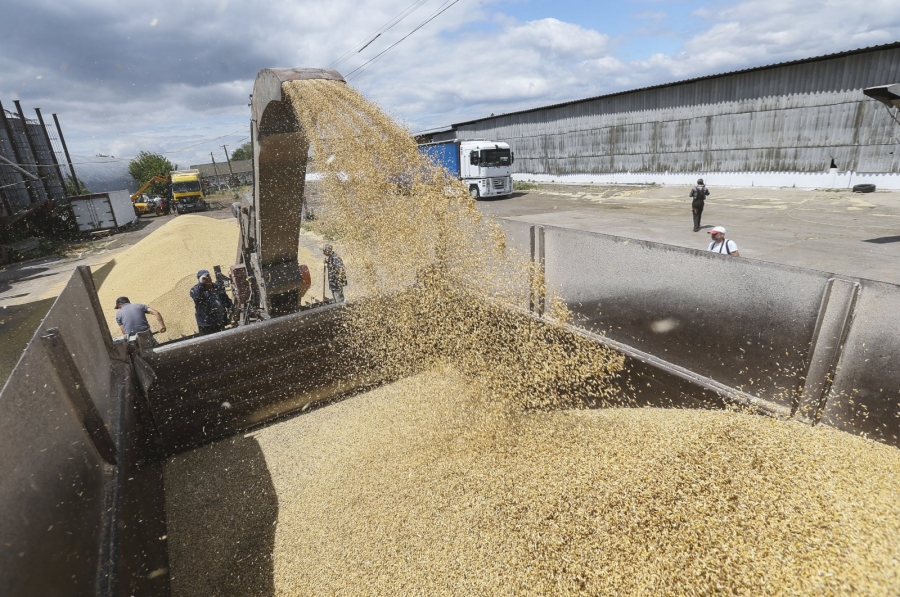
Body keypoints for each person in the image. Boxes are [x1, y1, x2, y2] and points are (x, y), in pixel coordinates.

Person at [190, 269, 234, 335]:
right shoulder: (196, 290)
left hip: (219, 321)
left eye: (208, 277)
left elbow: (225, 299)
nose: (208, 279)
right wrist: (201, 283)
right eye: (205, 278)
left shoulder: (217, 287)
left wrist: (232, 308)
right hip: (206, 325)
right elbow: (196, 295)